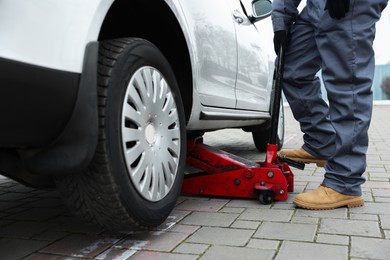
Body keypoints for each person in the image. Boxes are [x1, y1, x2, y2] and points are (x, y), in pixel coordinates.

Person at [272, 0, 388, 210]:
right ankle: (322, 142)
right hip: (315, 6)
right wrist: (281, 18)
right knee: (292, 69)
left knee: (348, 82)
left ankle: (345, 182)